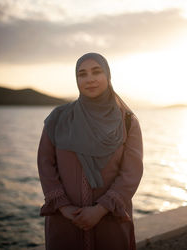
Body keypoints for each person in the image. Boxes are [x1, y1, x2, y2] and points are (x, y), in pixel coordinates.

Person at [37, 52, 143, 250]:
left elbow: (131, 173)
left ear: (108, 76)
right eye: (82, 74)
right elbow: (45, 164)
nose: (90, 79)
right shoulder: (59, 118)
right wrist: (64, 207)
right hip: (65, 221)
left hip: (110, 221)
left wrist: (101, 209)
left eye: (97, 71)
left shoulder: (127, 122)